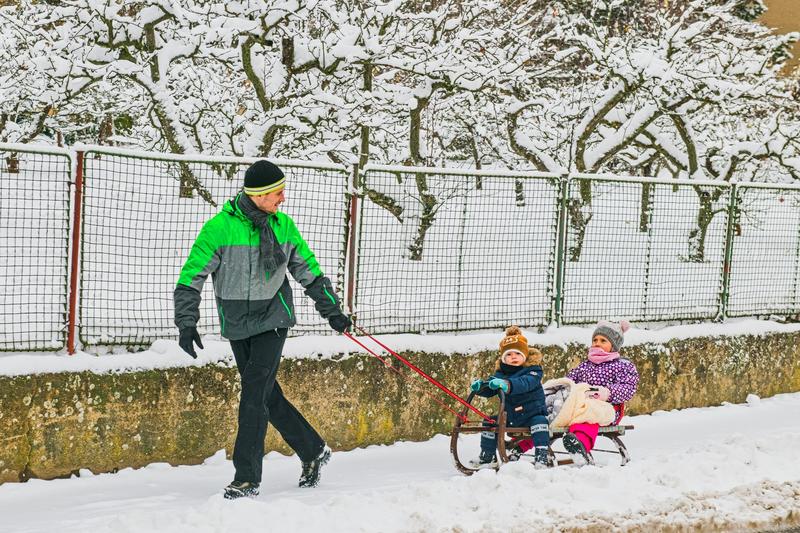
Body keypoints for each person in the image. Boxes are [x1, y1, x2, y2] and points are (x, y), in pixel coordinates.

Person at [173, 160, 352, 499]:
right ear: (257, 195)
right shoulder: (219, 229)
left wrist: (333, 312)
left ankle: (246, 478)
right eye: (276, 193)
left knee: (254, 396)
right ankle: (313, 449)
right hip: (238, 322)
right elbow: (191, 276)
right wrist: (186, 322)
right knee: (268, 394)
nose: (282, 199)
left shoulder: (283, 226)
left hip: (273, 317)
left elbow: (308, 270)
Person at [470, 326, 550, 469]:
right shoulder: (501, 374)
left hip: (532, 414)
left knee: (541, 421)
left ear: (525, 355)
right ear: (503, 358)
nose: (513, 357)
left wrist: (507, 385)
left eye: (517, 353)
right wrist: (481, 387)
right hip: (511, 416)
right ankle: (487, 456)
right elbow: (491, 388)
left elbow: (525, 383)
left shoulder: (533, 371)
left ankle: (542, 455)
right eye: (509, 354)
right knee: (490, 421)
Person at [562, 320, 639, 465]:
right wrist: (563, 388)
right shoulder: (585, 366)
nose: (597, 343)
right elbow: (569, 381)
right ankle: (523, 444)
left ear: (614, 345)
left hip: (610, 409)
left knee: (590, 412)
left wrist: (607, 393)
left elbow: (628, 388)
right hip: (583, 406)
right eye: (595, 340)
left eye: (603, 340)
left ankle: (581, 445)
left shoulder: (623, 366)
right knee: (557, 410)